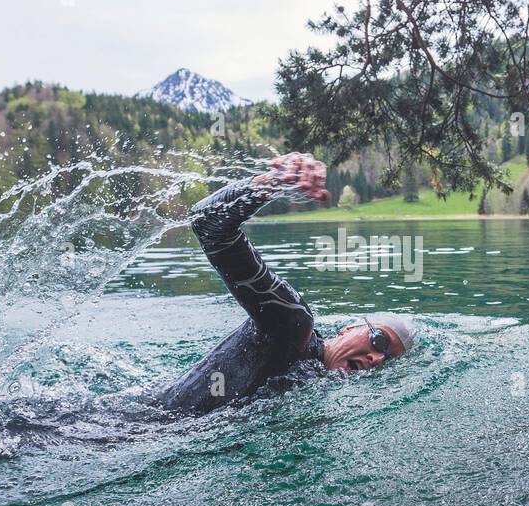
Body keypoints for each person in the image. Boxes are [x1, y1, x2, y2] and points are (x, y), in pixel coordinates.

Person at [154, 152, 416, 414]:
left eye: (388, 360)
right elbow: (207, 221)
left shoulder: (314, 389)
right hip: (137, 433)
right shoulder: (293, 324)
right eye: (379, 341)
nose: (378, 359)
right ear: (348, 329)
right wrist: (274, 183)